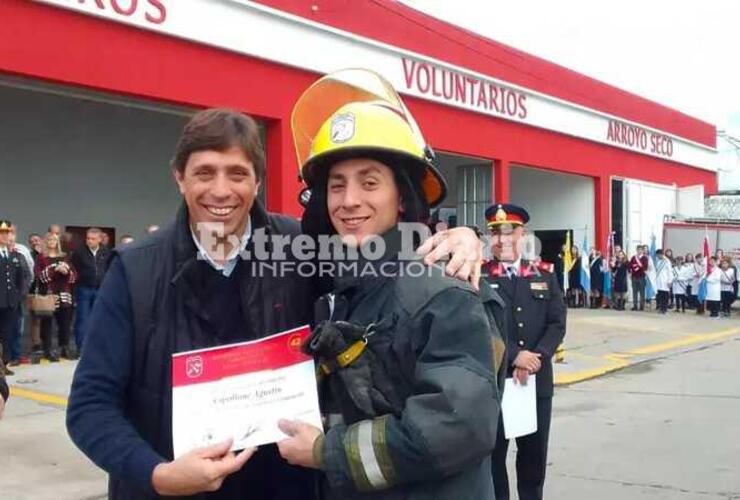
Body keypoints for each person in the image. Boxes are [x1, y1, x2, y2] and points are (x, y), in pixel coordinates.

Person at [66, 107, 483, 500]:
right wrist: (157, 474)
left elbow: (380, 259)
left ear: (257, 181)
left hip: (283, 487)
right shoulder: (134, 271)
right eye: (204, 173)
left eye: (237, 173)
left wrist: (459, 237)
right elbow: (90, 406)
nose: (221, 190)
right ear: (180, 177)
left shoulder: (300, 250)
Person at [278, 78, 501, 499]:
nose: (349, 200)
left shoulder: (444, 291)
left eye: (369, 182)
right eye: (337, 184)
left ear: (402, 196)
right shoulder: (334, 287)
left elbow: (456, 427)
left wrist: (326, 452)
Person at [482, 204, 567, 500]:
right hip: (494, 383)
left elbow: (557, 323)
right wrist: (514, 355)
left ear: (523, 234)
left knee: (533, 460)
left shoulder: (543, 274)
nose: (502, 238)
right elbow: (479, 326)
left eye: (509, 231)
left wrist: (535, 359)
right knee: (492, 460)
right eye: (495, 232)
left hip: (535, 382)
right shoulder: (477, 276)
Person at [35, 232, 78, 361]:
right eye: (49, 239)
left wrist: (66, 270)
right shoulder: (41, 258)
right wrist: (55, 269)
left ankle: (64, 348)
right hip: (48, 294)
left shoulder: (65, 257)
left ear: (57, 241)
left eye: (54, 239)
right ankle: (48, 350)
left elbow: (73, 277)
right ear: (45, 241)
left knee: (65, 323)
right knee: (47, 324)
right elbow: (40, 276)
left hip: (64, 294)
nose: (51, 241)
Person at [71, 227, 110, 351]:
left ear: (99, 239)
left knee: (100, 318)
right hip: (84, 289)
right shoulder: (79, 252)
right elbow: (74, 270)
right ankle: (81, 347)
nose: (89, 241)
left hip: (101, 289)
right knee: (83, 319)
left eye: (93, 239)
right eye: (88, 238)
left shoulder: (105, 251)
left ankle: (98, 347)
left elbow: (109, 269)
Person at [0, 220, 32, 375]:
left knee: (7, 334)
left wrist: (18, 295)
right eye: (3, 233)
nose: (6, 236)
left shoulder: (15, 255)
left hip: (10, 302)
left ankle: (3, 363)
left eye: (8, 233)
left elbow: (21, 278)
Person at [7, 224, 34, 365]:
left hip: (18, 298)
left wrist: (23, 291)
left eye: (12, 235)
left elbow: (29, 274)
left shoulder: (21, 253)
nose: (9, 239)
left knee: (18, 327)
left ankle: (16, 356)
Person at [629, 245, 648, 311]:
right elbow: (630, 265)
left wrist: (637, 266)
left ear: (642, 250)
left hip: (641, 276)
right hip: (634, 276)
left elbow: (645, 267)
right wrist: (631, 272)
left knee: (642, 292)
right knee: (634, 291)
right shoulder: (633, 257)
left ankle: (642, 306)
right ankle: (635, 306)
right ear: (636, 250)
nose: (639, 251)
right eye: (638, 249)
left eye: (640, 250)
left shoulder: (644, 258)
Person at [653, 249, 673, 314]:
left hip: (665, 281)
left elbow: (670, 272)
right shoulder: (658, 261)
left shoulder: (667, 261)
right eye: (657, 255)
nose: (658, 256)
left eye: (658, 255)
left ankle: (665, 309)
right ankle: (661, 308)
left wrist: (670, 281)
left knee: (665, 296)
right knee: (660, 295)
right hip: (659, 281)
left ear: (661, 254)